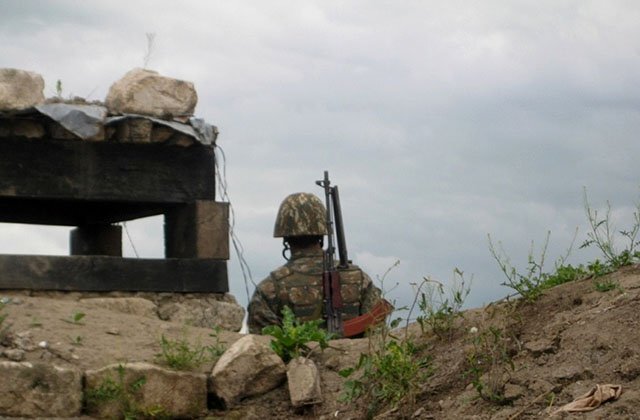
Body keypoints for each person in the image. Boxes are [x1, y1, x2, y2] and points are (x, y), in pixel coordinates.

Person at [247, 192, 386, 335]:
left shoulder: (269, 288)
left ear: (284, 236)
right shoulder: (358, 279)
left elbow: (260, 342)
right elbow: (378, 333)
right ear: (322, 233)